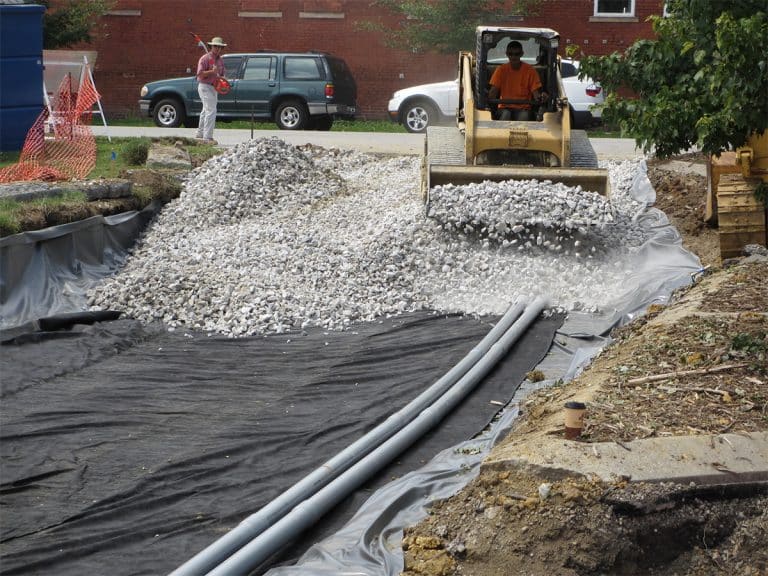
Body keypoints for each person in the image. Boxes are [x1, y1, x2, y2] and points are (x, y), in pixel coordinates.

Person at [488, 41, 547, 121]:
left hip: (524, 108)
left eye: (517, 54)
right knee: (506, 115)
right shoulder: (501, 70)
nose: (513, 57)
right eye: (510, 54)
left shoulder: (530, 71)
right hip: (504, 108)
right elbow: (492, 94)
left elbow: (536, 95)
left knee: (523, 117)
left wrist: (542, 97)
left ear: (522, 54)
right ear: (507, 54)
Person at [196, 36, 227, 144]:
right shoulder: (205, 59)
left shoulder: (220, 60)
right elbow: (199, 74)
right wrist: (211, 72)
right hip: (204, 86)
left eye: (219, 47)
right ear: (211, 47)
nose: (217, 48)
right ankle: (207, 137)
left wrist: (222, 79)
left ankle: (200, 134)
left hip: (214, 87)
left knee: (206, 110)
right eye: (215, 46)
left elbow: (222, 74)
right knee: (211, 110)